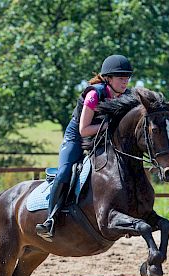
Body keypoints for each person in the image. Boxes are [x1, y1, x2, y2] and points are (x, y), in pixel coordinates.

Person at [35, 54, 134, 240]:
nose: (125, 82)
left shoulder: (126, 96)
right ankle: (51, 219)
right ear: (108, 78)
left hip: (103, 138)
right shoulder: (94, 95)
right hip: (77, 137)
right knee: (65, 172)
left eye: (127, 78)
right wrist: (109, 126)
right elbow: (84, 129)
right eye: (121, 78)